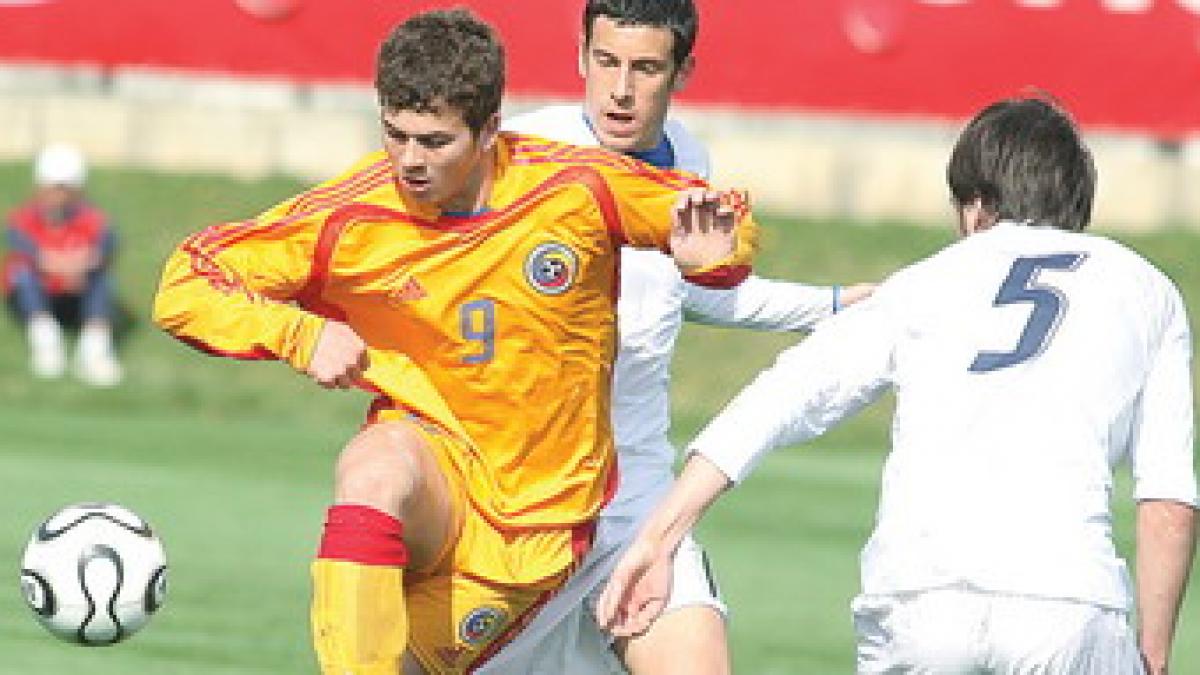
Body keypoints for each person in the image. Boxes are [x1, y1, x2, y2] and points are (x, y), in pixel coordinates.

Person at [151, 8, 758, 675]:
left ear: (491, 128)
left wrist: (715, 255)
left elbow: (711, 217)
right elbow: (187, 281)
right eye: (395, 135)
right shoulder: (353, 215)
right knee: (375, 464)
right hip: (442, 491)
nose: (409, 161)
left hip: (549, 518)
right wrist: (298, 331)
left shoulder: (575, 187)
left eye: (434, 142)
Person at [597, 95, 1197, 675]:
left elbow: (778, 400)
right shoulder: (1148, 290)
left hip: (917, 598)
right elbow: (1167, 499)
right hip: (1066, 601)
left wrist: (658, 538)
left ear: (977, 205)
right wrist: (1153, 651)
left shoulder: (923, 282)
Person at [485, 1, 872, 673]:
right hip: (521, 506)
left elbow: (684, 288)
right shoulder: (519, 157)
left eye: (645, 68)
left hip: (637, 498)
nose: (621, 89)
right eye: (606, 62)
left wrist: (833, 304)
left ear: (682, 70)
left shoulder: (689, 161)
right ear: (580, 55)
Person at [4, 143, 123, 386]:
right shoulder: (22, 219)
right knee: (23, 275)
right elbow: (34, 257)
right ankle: (46, 345)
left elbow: (101, 253)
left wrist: (71, 267)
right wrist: (69, 266)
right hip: (40, 293)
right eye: (52, 188)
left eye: (63, 188)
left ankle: (94, 350)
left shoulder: (94, 220)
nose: (57, 196)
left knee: (102, 280)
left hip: (78, 293)